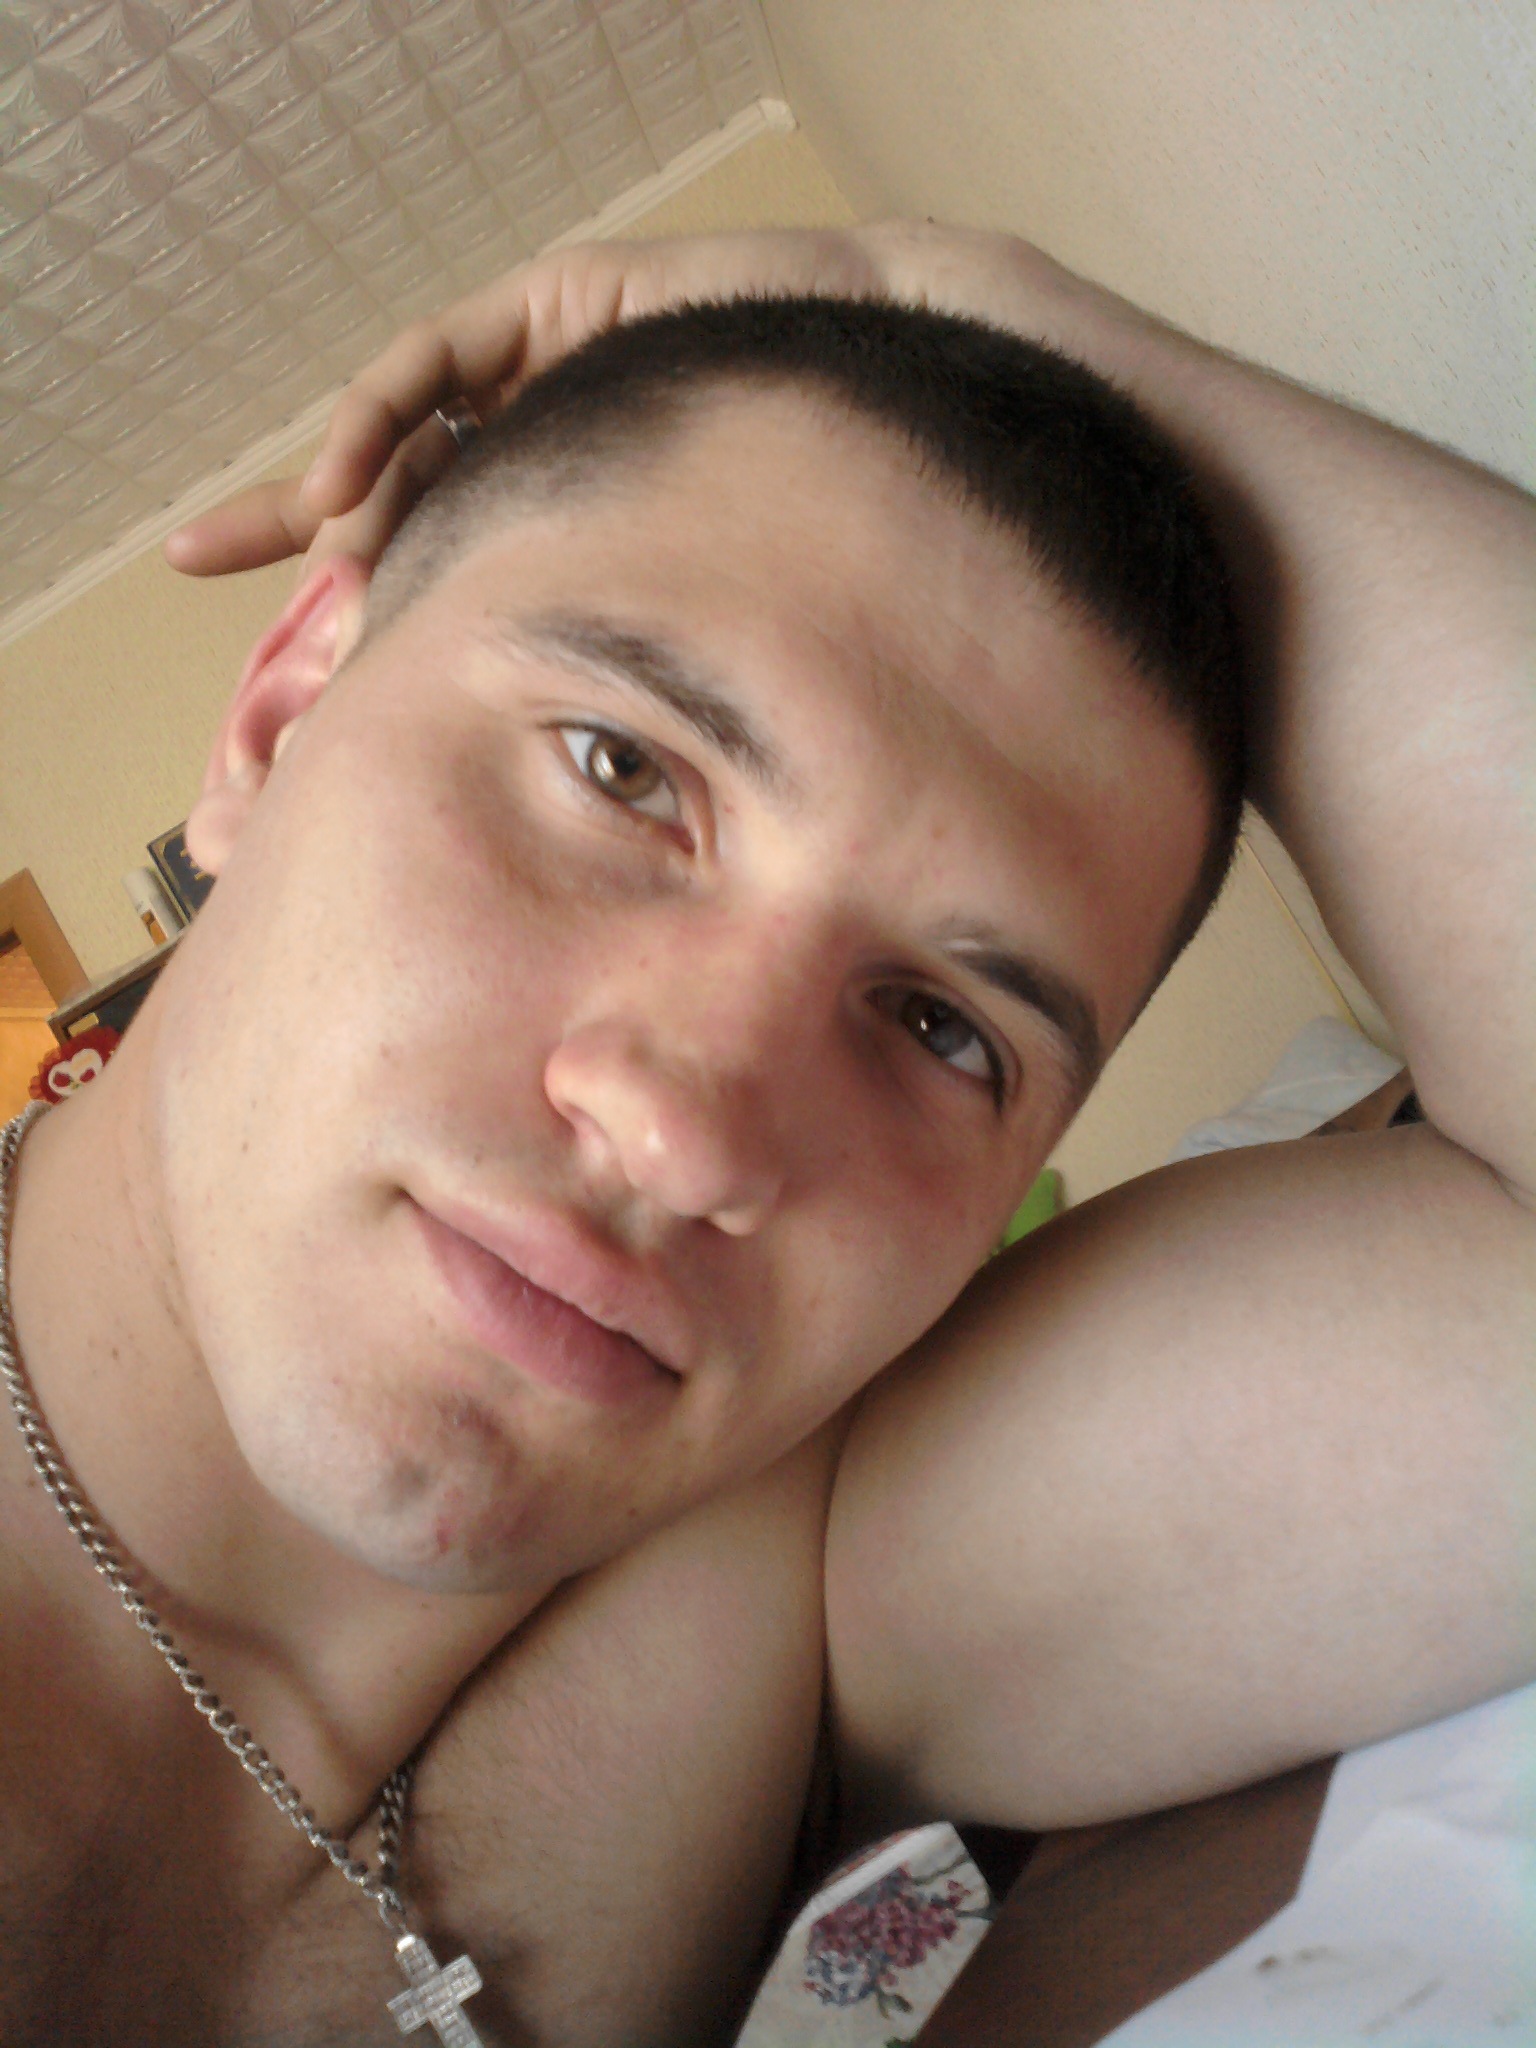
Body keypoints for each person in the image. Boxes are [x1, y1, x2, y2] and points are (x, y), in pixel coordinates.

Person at [0, 231, 1525, 2048]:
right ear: (275, 720)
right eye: (623, 769)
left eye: (943, 1028)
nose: (686, 1137)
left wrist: (962, 292)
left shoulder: (807, 1572)